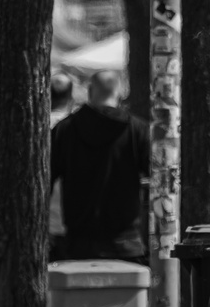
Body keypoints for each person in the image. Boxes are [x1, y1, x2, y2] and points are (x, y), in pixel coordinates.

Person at [51, 70, 149, 261]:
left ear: (89, 91)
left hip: (78, 242)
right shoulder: (138, 130)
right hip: (126, 242)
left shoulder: (64, 130)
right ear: (120, 92)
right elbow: (158, 179)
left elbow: (45, 182)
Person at [47, 72, 76, 260]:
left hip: (47, 217)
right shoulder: (77, 126)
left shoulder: (39, 125)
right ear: (71, 96)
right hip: (72, 216)